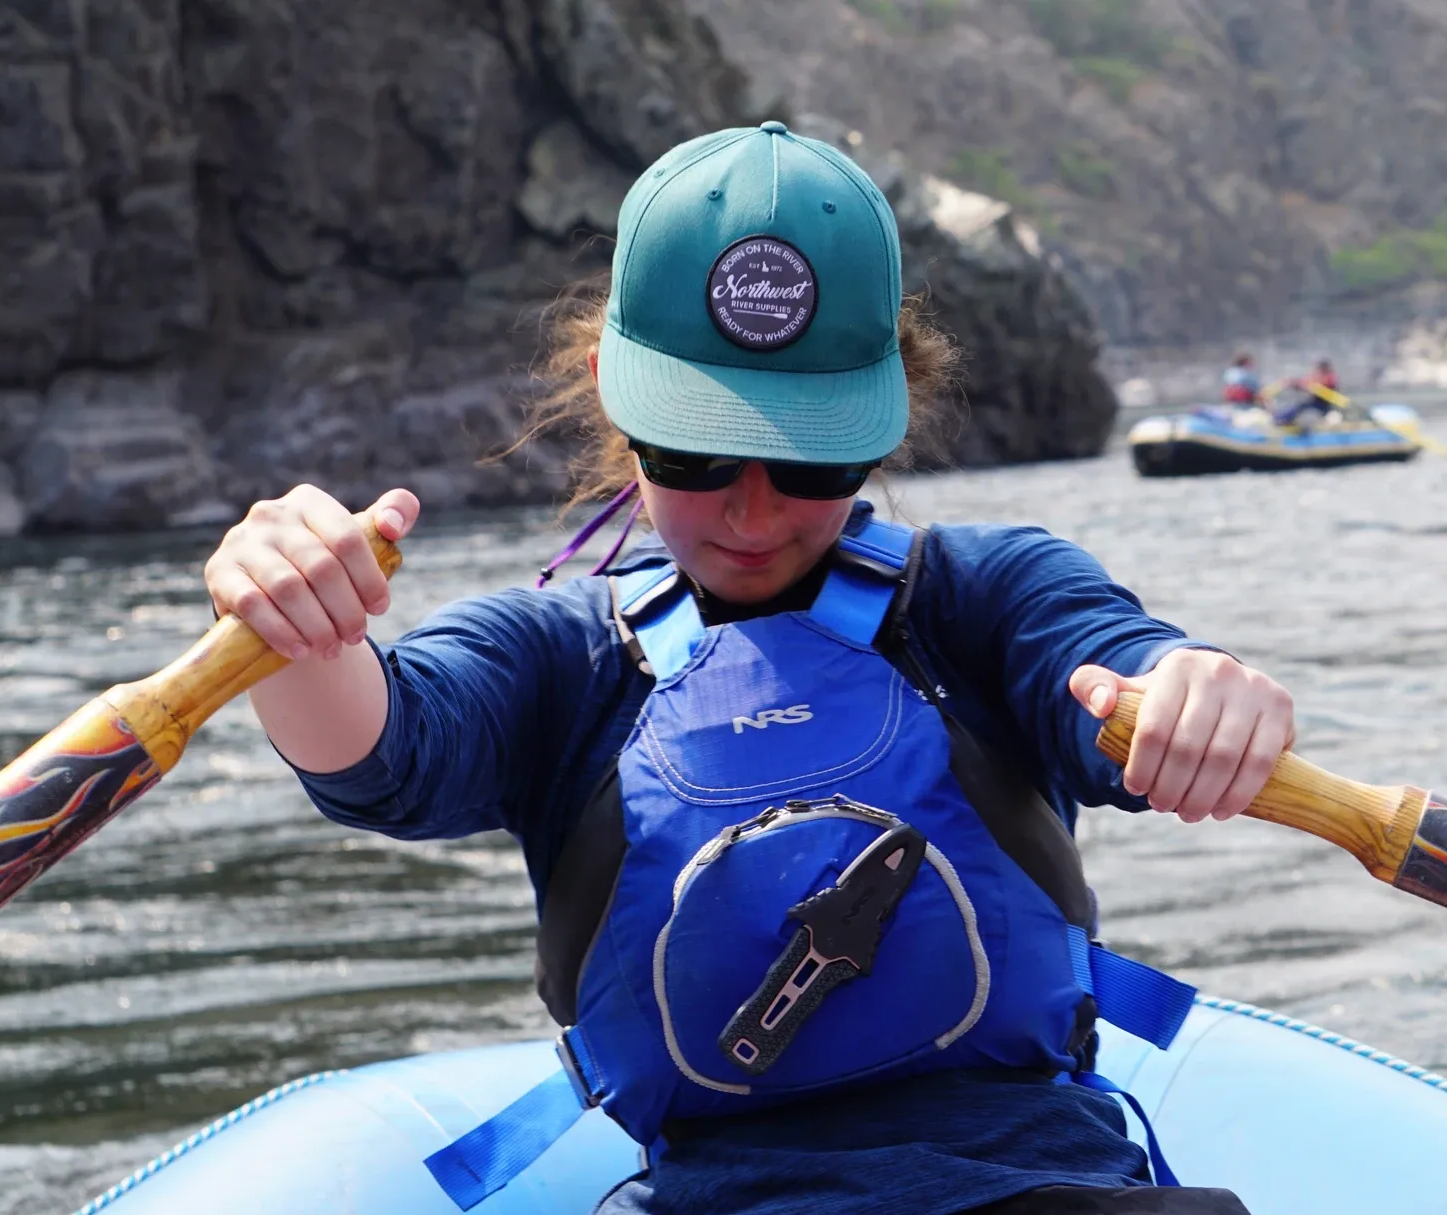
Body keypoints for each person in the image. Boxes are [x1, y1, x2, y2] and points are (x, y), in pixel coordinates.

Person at [202, 122, 1296, 1215]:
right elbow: (378, 749)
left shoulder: (989, 601)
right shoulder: (558, 663)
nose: (755, 509)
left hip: (1041, 1184)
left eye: (814, 456)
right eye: (697, 452)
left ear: (894, 406)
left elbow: (1111, 660)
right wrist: (302, 628)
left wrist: (1194, 686)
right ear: (612, 393)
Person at [1272, 358, 1341, 428]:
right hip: (1313, 404)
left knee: (1304, 413)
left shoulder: (1330, 378)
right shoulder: (1316, 377)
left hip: (1323, 408)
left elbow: (1322, 384)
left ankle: (1282, 421)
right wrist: (1293, 383)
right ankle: (1279, 420)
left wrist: (1306, 385)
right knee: (1295, 407)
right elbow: (1305, 382)